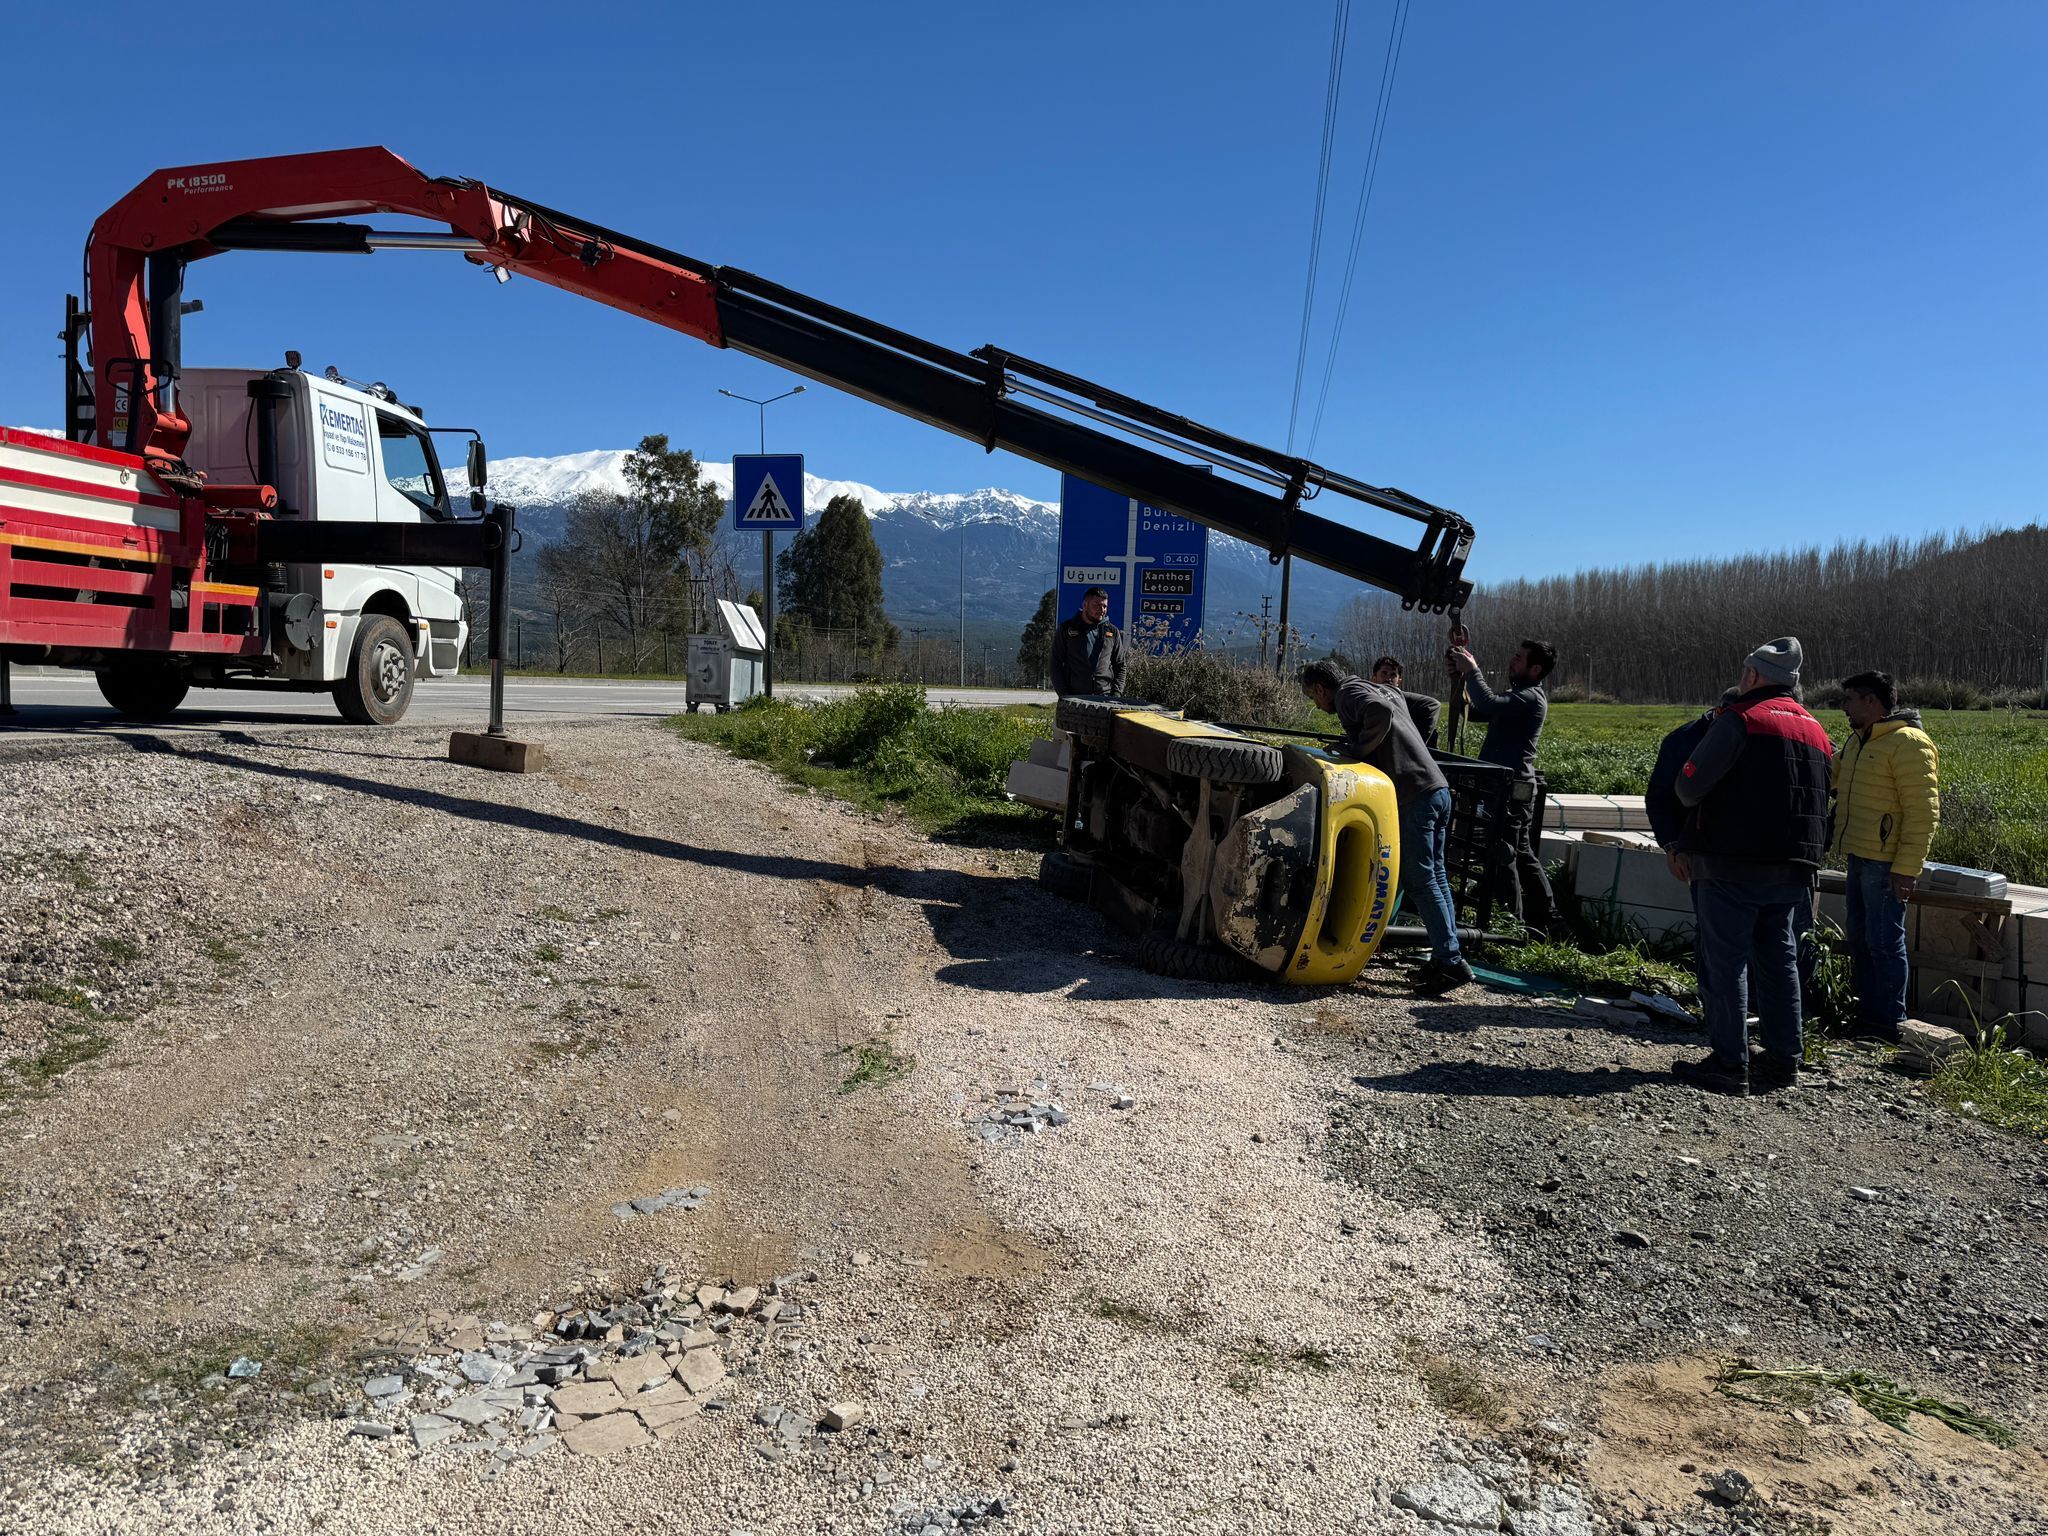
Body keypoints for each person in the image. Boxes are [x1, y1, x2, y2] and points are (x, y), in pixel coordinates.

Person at [1668, 637, 1834, 1095]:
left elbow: (1688, 787)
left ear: (1755, 676)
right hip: (1794, 866)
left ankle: (1729, 1062)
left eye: (1746, 672)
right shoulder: (1816, 729)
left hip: (1731, 860)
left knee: (1726, 963)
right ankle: (1783, 1059)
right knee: (1778, 961)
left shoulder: (1741, 719)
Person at [1300, 660, 1473, 989]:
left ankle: (1450, 962)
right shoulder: (1380, 686)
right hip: (1436, 788)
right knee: (1435, 878)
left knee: (1421, 882)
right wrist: (1415, 744)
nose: (1316, 703)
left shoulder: (1348, 694)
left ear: (1321, 689)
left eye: (1313, 696)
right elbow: (1427, 705)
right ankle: (1447, 957)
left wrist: (1358, 751)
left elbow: (1380, 713)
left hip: (1414, 796)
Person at [1829, 670, 1939, 1041]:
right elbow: (1832, 775)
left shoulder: (1909, 743)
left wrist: (1906, 868)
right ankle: (1868, 1016)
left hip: (1886, 862)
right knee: (1861, 938)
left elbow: (1923, 813)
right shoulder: (1859, 739)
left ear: (1871, 701)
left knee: (1883, 941)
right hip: (1859, 855)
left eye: (1850, 700)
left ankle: (1891, 1023)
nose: (1844, 708)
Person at [1448, 631, 1559, 934]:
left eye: (1519, 659)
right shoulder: (1519, 696)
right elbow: (1480, 710)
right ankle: (1546, 917)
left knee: (1505, 849)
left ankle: (1514, 920)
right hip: (1509, 785)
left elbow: (1489, 703)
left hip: (1512, 787)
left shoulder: (1528, 697)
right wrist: (1461, 679)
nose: (1512, 662)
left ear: (1535, 669)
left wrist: (1472, 670)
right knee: (1518, 851)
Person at [1049, 586, 1128, 698]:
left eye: (1104, 606)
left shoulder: (1112, 632)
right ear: (1085, 605)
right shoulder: (1067, 629)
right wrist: (1064, 695)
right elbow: (1055, 664)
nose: (1101, 610)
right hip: (1074, 697)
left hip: (1105, 697)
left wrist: (1116, 694)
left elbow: (1120, 665)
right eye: (1096, 605)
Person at [1371, 655, 1443, 749]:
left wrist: (1414, 747)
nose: (1388, 678)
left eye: (1393, 675)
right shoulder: (1366, 695)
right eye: (1384, 673)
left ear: (1398, 681)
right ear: (1374, 678)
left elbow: (1433, 705)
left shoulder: (1402, 697)